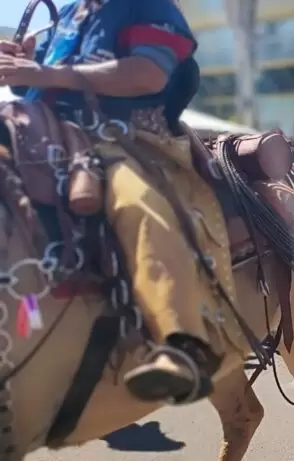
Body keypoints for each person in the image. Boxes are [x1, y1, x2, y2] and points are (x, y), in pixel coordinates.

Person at [0, 0, 235, 404]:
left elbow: (148, 73)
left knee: (139, 204)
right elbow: (36, 83)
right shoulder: (70, 14)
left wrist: (45, 71)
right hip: (34, 134)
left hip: (114, 138)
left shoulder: (147, 5)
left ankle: (182, 343)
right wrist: (20, 64)